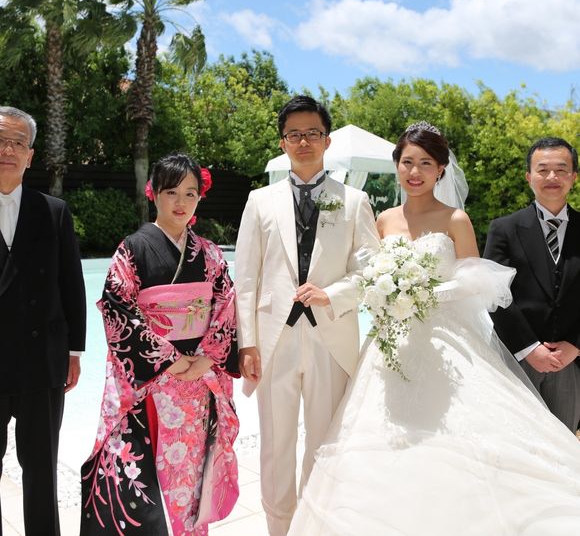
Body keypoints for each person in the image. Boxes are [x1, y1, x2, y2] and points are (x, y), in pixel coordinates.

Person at [289, 122, 580, 536]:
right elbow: (366, 275)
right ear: (396, 165)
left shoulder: (456, 219)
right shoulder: (382, 219)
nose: (415, 171)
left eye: (426, 163)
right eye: (408, 162)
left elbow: (478, 285)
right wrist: (344, 294)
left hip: (446, 342)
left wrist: (421, 291)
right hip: (389, 346)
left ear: (441, 169)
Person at [235, 95, 380, 535]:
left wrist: (331, 294)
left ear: (327, 140)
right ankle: (278, 528)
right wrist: (247, 343)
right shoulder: (259, 200)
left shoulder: (354, 201)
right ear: (283, 142)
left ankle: (316, 526)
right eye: (294, 134)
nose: (303, 142)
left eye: (312, 133)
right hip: (273, 339)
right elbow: (246, 278)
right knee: (275, 445)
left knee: (325, 444)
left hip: (331, 339)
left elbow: (371, 271)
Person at [80, 154, 240, 535]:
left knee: (191, 477)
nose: (181, 202)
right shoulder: (132, 249)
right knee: (145, 475)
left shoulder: (210, 253)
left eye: (190, 193)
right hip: (152, 383)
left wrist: (206, 359)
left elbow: (226, 305)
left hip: (197, 384)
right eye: (172, 192)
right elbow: (117, 307)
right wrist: (167, 359)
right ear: (154, 193)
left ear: (200, 197)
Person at [0, 106, 86, 535]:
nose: (7, 150)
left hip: (42, 362)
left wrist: (75, 351)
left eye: (17, 143)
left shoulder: (54, 211)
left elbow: (71, 284)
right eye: (1, 141)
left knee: (41, 470)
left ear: (30, 155)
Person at [484, 137, 580, 432]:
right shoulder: (504, 228)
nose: (552, 177)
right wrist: (529, 349)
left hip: (571, 361)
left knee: (565, 443)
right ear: (528, 176)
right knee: (517, 441)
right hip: (517, 357)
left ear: (574, 177)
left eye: (561, 170)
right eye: (543, 170)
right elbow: (493, 293)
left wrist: (576, 345)